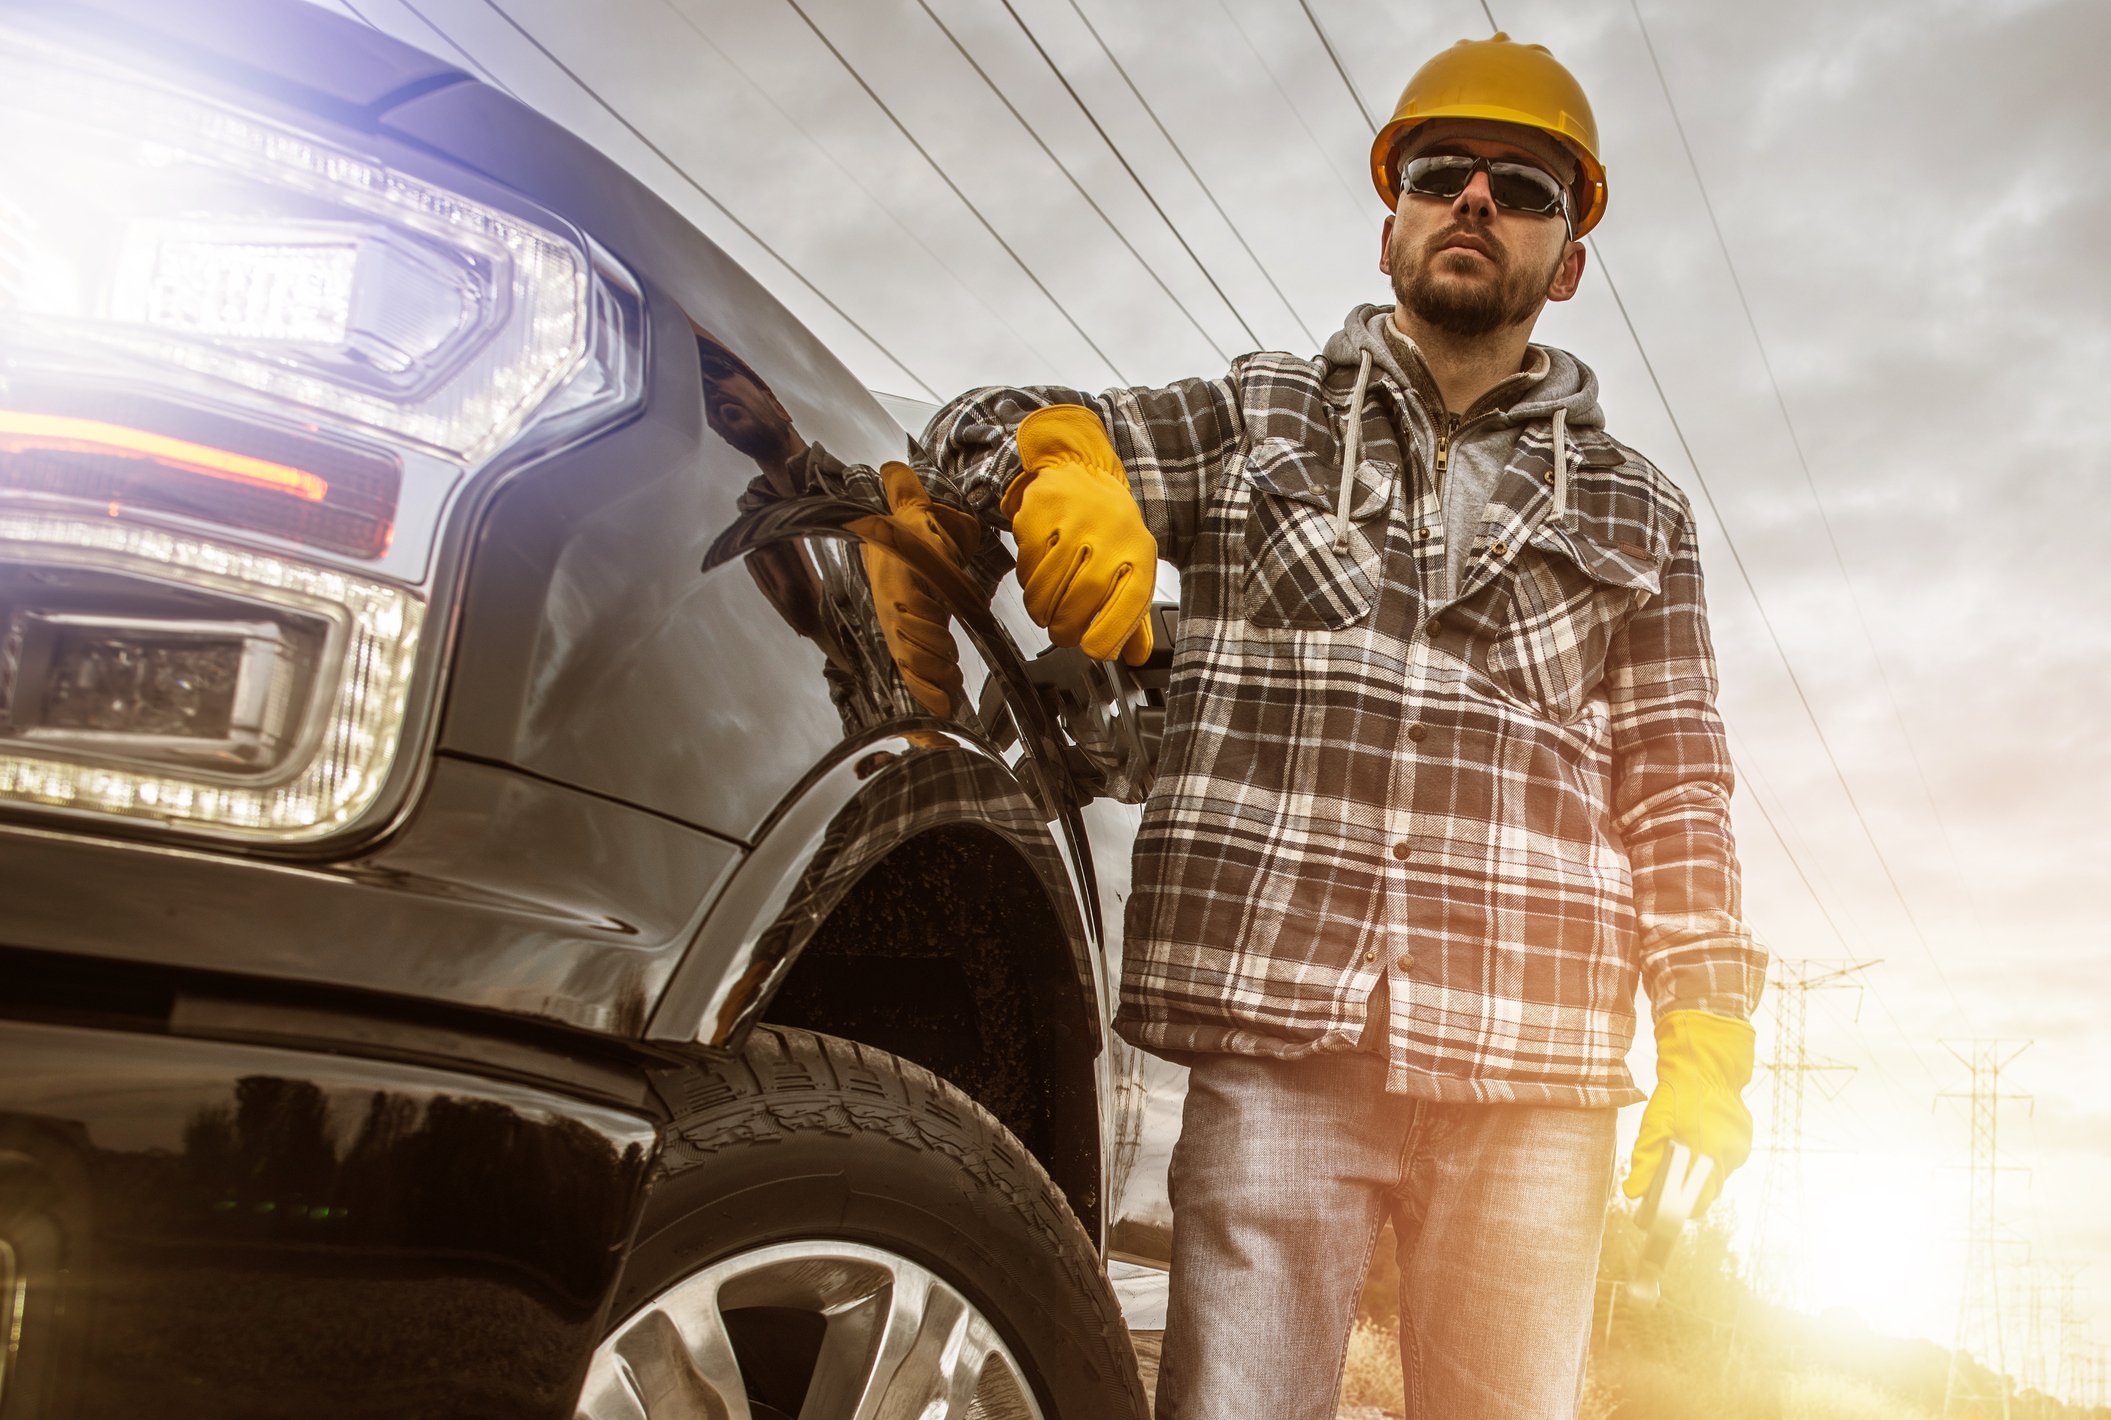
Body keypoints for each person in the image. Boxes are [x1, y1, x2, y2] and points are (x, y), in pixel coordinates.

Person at [916, 32, 1767, 1420]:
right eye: (1442, 173)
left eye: (1526, 185)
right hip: (1282, 1040)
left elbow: (1679, 788)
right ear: (1392, 227)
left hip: (1538, 1068)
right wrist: (1053, 466)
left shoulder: (1642, 515)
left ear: (1570, 258)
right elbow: (980, 422)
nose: (1478, 200)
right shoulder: (1255, 420)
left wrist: (1710, 1046)